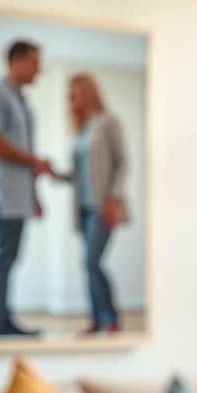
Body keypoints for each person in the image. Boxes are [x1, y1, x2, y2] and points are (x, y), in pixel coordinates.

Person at [0, 40, 51, 337]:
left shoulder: (21, 101)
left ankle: (3, 318)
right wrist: (32, 160)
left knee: (10, 258)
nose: (39, 69)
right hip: (5, 195)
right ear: (16, 61)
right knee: (4, 257)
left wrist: (33, 194)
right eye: (35, 62)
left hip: (19, 196)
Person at [61, 73, 129, 335]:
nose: (70, 98)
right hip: (84, 209)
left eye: (74, 92)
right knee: (87, 263)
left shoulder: (108, 122)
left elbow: (123, 162)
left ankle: (111, 317)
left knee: (92, 262)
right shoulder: (80, 130)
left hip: (103, 207)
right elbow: (78, 174)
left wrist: (113, 199)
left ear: (87, 92)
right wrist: (55, 173)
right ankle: (97, 319)